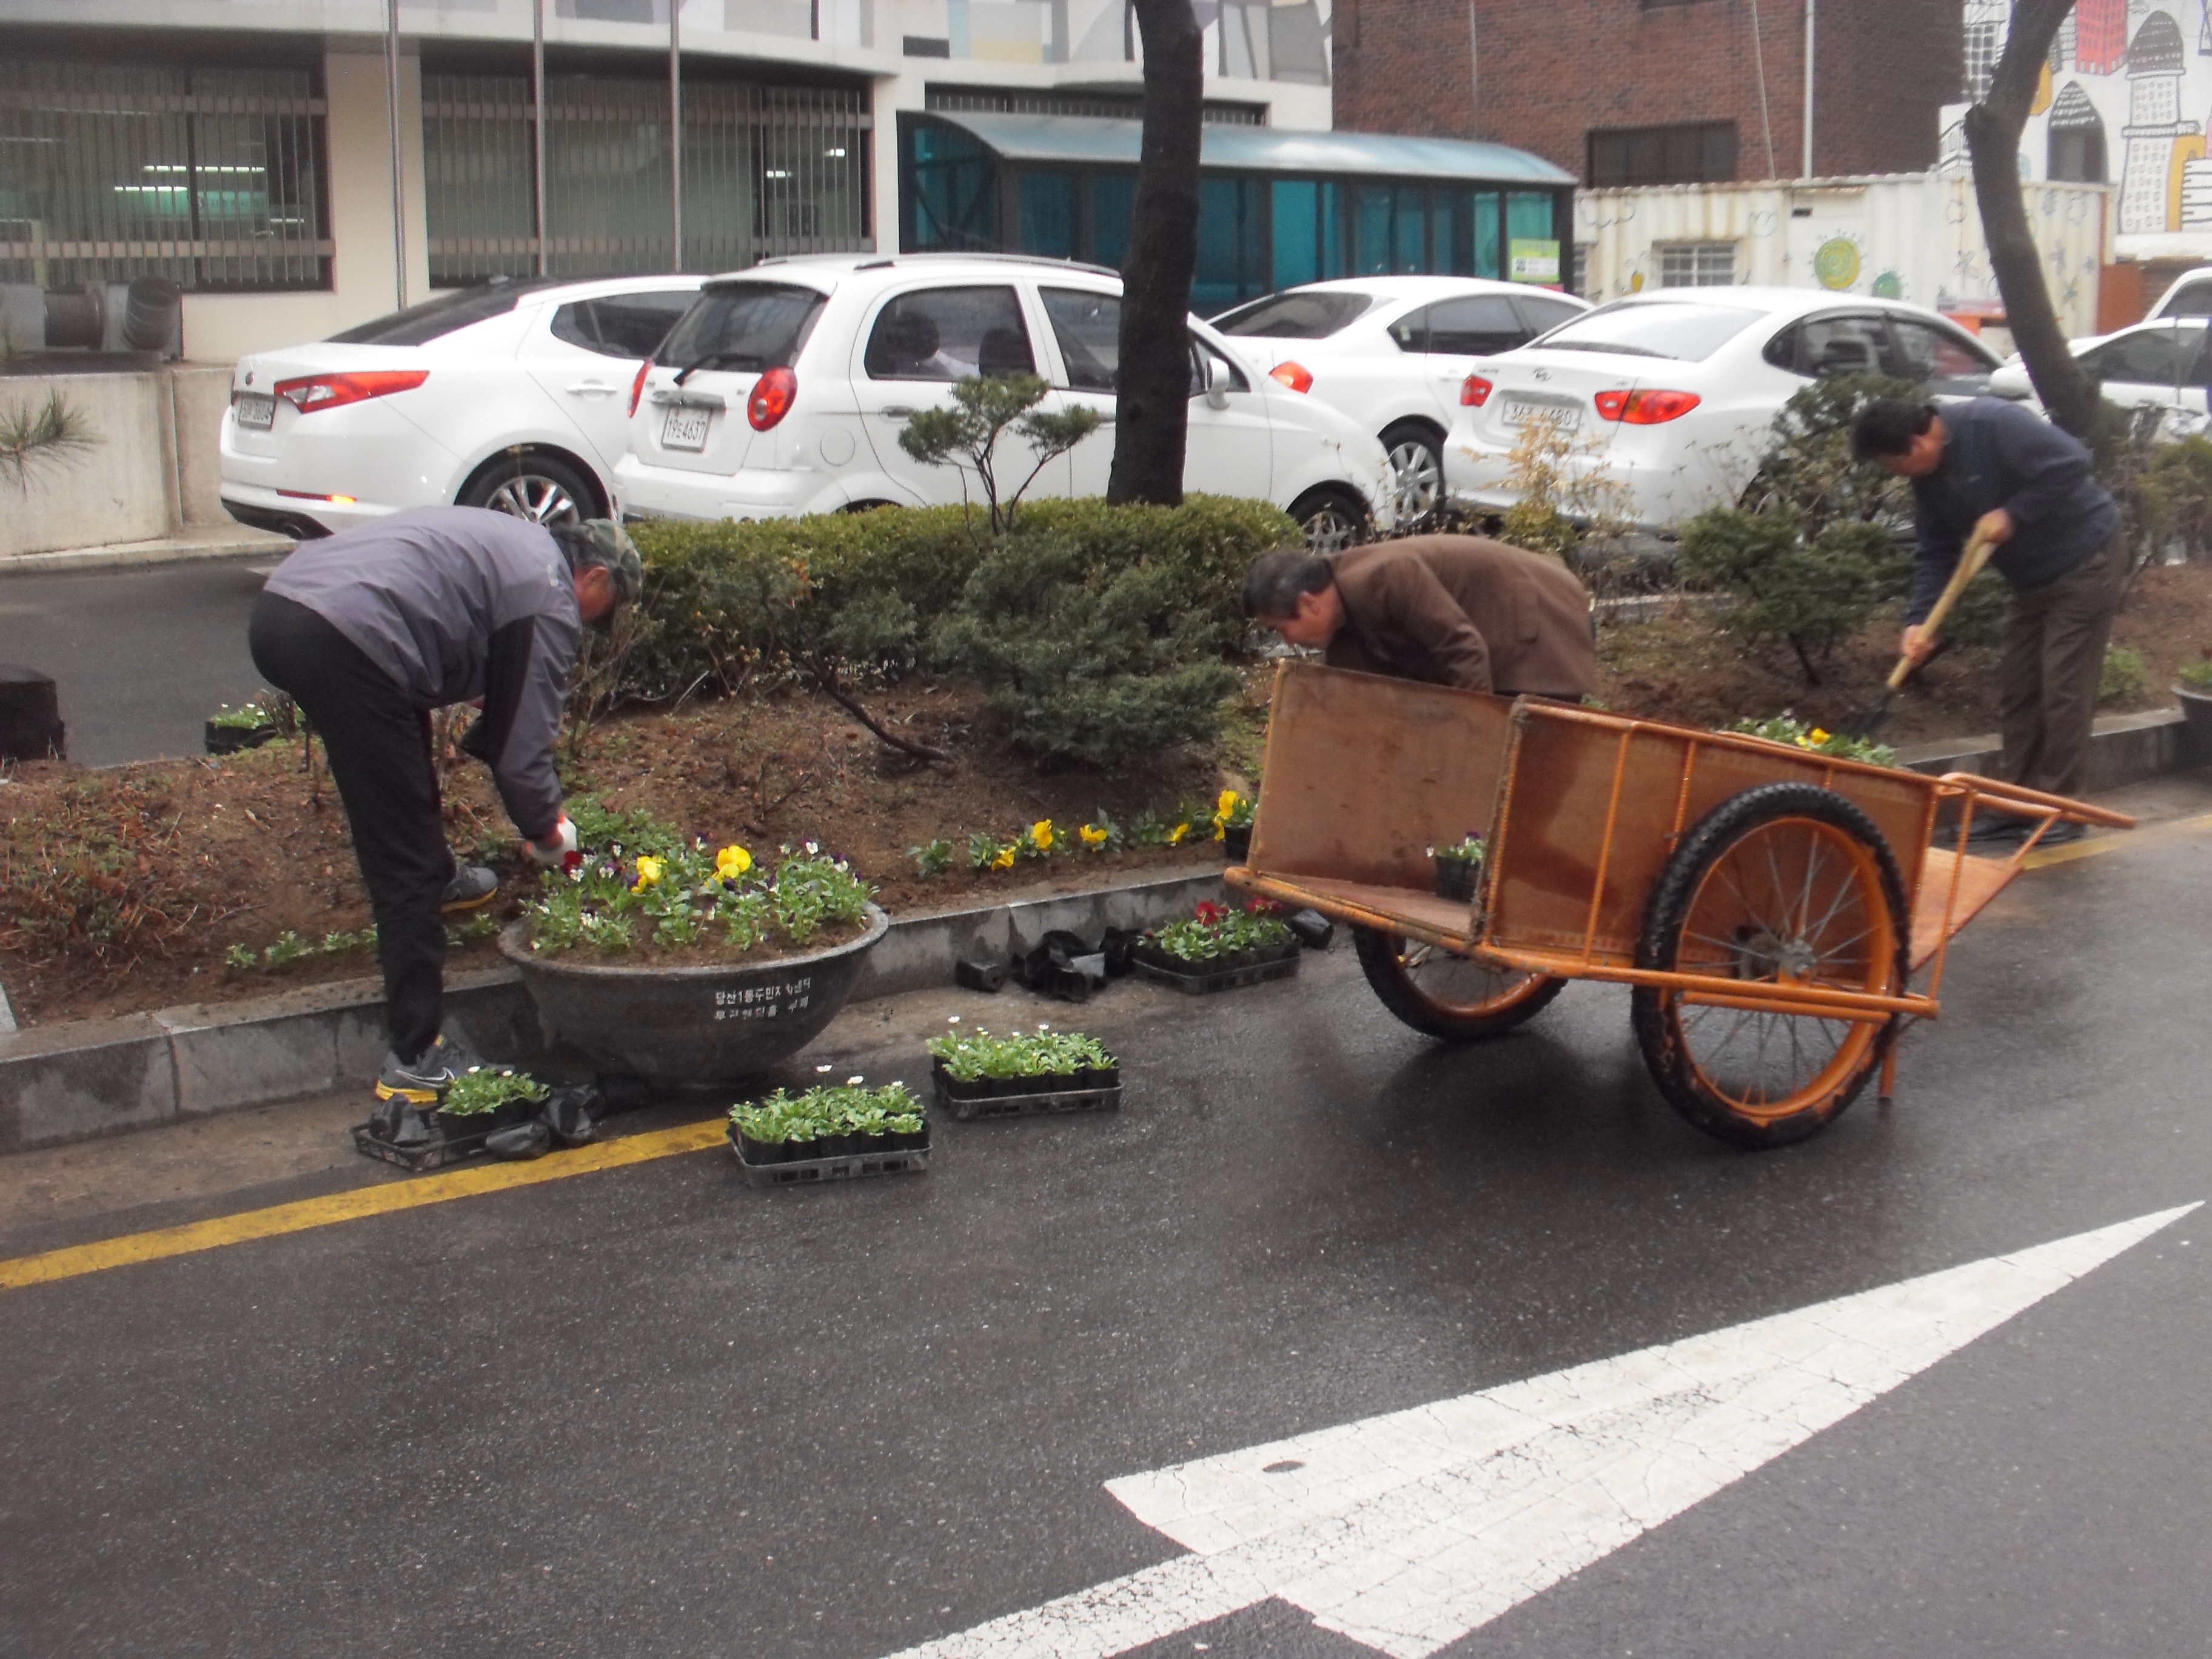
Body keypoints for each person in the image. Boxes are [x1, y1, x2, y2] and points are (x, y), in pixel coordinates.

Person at [247, 506, 643, 1105]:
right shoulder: (549, 596)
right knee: (398, 858)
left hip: (287, 607)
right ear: (594, 578)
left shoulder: (518, 546)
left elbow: (456, 647)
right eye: (602, 612)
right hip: (347, 635)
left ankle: (441, 878)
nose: (592, 626)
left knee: (398, 761)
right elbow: (521, 749)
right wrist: (548, 832)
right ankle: (414, 1060)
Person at [1851, 396, 2125, 841]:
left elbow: (2073, 462)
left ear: (1917, 443)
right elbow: (1936, 552)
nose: (1896, 476)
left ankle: (2063, 809)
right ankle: (2013, 804)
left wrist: (2014, 513)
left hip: (2085, 560)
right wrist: (1920, 622)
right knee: (2018, 691)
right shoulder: (1928, 480)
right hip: (2029, 581)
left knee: (2063, 688)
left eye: (1893, 465)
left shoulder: (1993, 423)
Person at [1241, 534, 1597, 700]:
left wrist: (1474, 734)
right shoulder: (1341, 620)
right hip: (1490, 633)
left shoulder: (1387, 577)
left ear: (1308, 605)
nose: (1287, 641)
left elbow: (1464, 650)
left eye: (1281, 629)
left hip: (1538, 620)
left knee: (1536, 756)